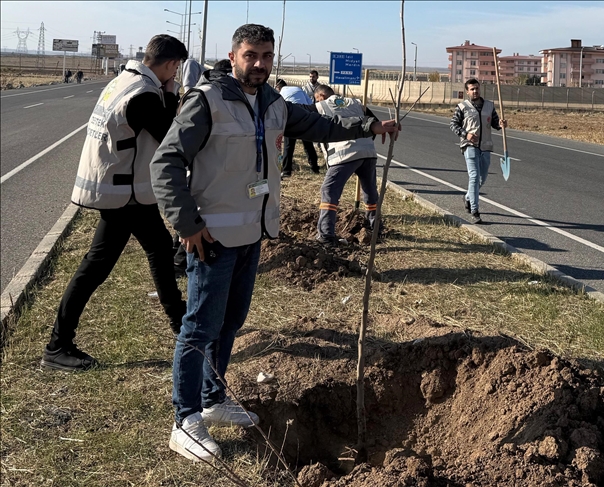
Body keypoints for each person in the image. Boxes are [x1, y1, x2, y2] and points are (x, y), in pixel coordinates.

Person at [150, 24, 399, 463]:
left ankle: (213, 397)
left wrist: (370, 123)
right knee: (199, 327)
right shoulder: (206, 100)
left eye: (266, 55)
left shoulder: (274, 103)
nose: (260, 64)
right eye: (251, 55)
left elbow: (322, 125)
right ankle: (185, 419)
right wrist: (186, 224)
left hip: (252, 234)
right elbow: (166, 161)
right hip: (212, 237)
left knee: (230, 323)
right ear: (233, 56)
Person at [40, 35, 189, 372]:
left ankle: (181, 324)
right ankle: (57, 347)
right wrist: (172, 94)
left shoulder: (125, 80)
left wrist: (166, 92)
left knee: (155, 251)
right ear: (169, 64)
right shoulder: (143, 95)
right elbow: (170, 135)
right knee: (100, 266)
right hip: (124, 193)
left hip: (121, 190)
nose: (176, 72)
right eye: (176, 67)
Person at [312, 84, 380, 246]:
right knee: (370, 190)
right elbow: (374, 123)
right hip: (368, 151)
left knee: (329, 191)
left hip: (344, 153)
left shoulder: (321, 106)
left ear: (321, 96)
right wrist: (365, 144)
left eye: (316, 98)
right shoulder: (355, 103)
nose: (315, 101)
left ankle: (326, 235)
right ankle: (375, 227)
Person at [449, 78, 506, 224]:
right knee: (474, 176)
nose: (475, 91)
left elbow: (495, 123)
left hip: (486, 146)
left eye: (477, 88)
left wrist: (501, 124)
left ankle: (468, 197)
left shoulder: (489, 106)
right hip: (469, 145)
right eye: (472, 89)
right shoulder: (462, 107)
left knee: (482, 178)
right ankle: (475, 210)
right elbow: (453, 125)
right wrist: (465, 134)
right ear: (467, 92)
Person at [275, 78, 320, 177]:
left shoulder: (280, 92)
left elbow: (278, 106)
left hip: (291, 115)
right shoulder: (298, 89)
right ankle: (315, 168)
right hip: (305, 114)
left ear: (278, 87)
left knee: (289, 146)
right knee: (308, 144)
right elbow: (309, 103)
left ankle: (287, 171)